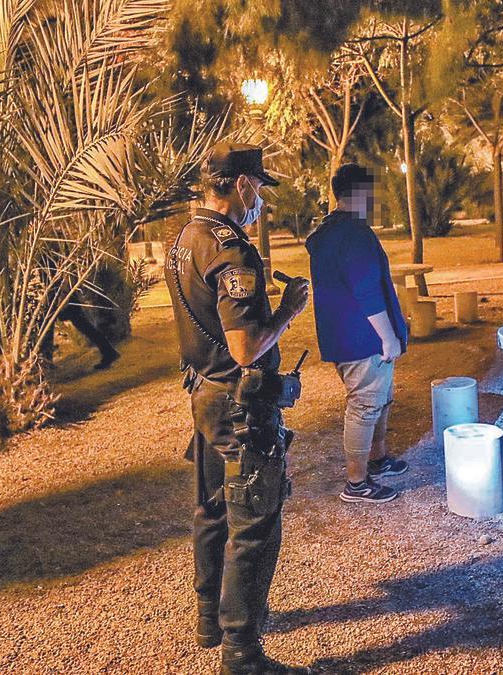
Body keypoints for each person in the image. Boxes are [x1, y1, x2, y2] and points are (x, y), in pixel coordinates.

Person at [167, 142, 312, 675]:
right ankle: (241, 653)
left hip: (205, 396)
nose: (261, 203)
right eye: (260, 190)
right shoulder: (232, 249)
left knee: (211, 511)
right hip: (240, 404)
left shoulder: (185, 237)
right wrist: (290, 311)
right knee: (254, 524)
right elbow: (246, 347)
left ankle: (210, 619)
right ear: (244, 183)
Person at [306, 163, 409, 504]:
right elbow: (366, 290)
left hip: (342, 335)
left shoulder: (327, 232)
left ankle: (377, 461)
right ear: (363, 193)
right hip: (364, 338)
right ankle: (357, 483)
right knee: (365, 405)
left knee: (378, 400)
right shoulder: (354, 235)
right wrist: (388, 336)